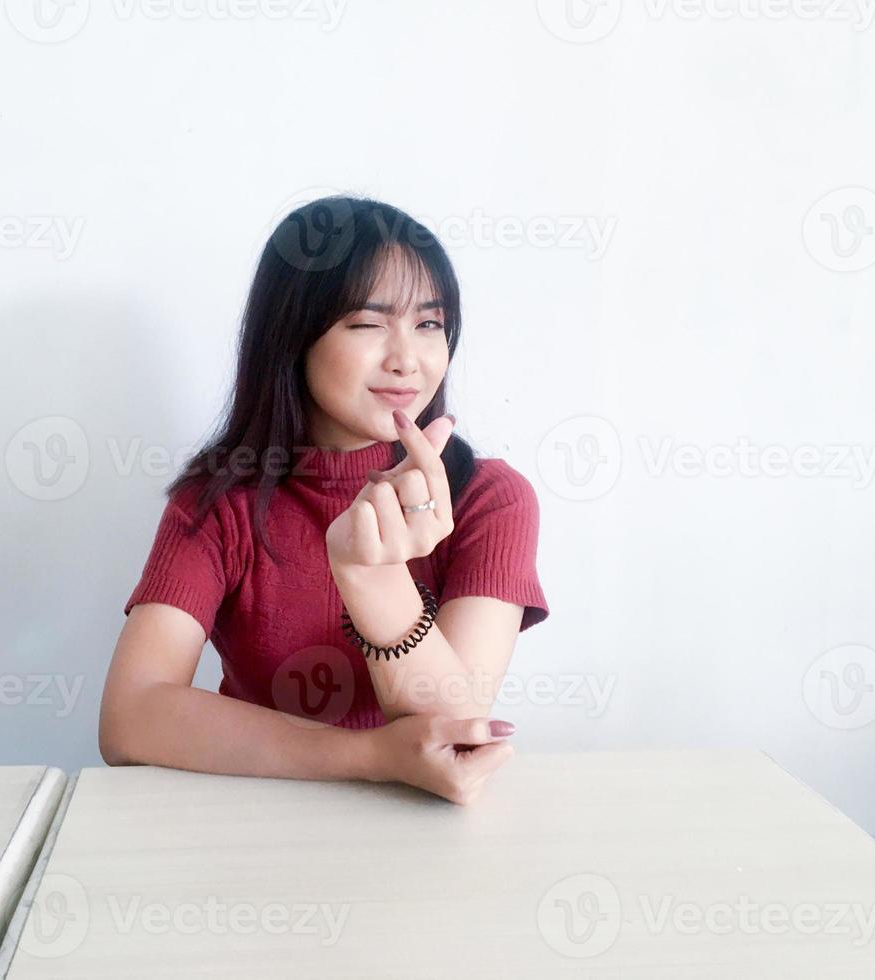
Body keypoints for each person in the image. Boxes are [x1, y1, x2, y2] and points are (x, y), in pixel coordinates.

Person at [99, 195, 550, 805]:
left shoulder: (490, 499)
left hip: (420, 834)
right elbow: (131, 717)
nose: (406, 360)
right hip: (252, 818)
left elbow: (454, 726)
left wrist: (373, 576)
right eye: (367, 323)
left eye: (429, 324)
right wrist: (369, 756)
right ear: (293, 336)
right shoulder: (217, 503)